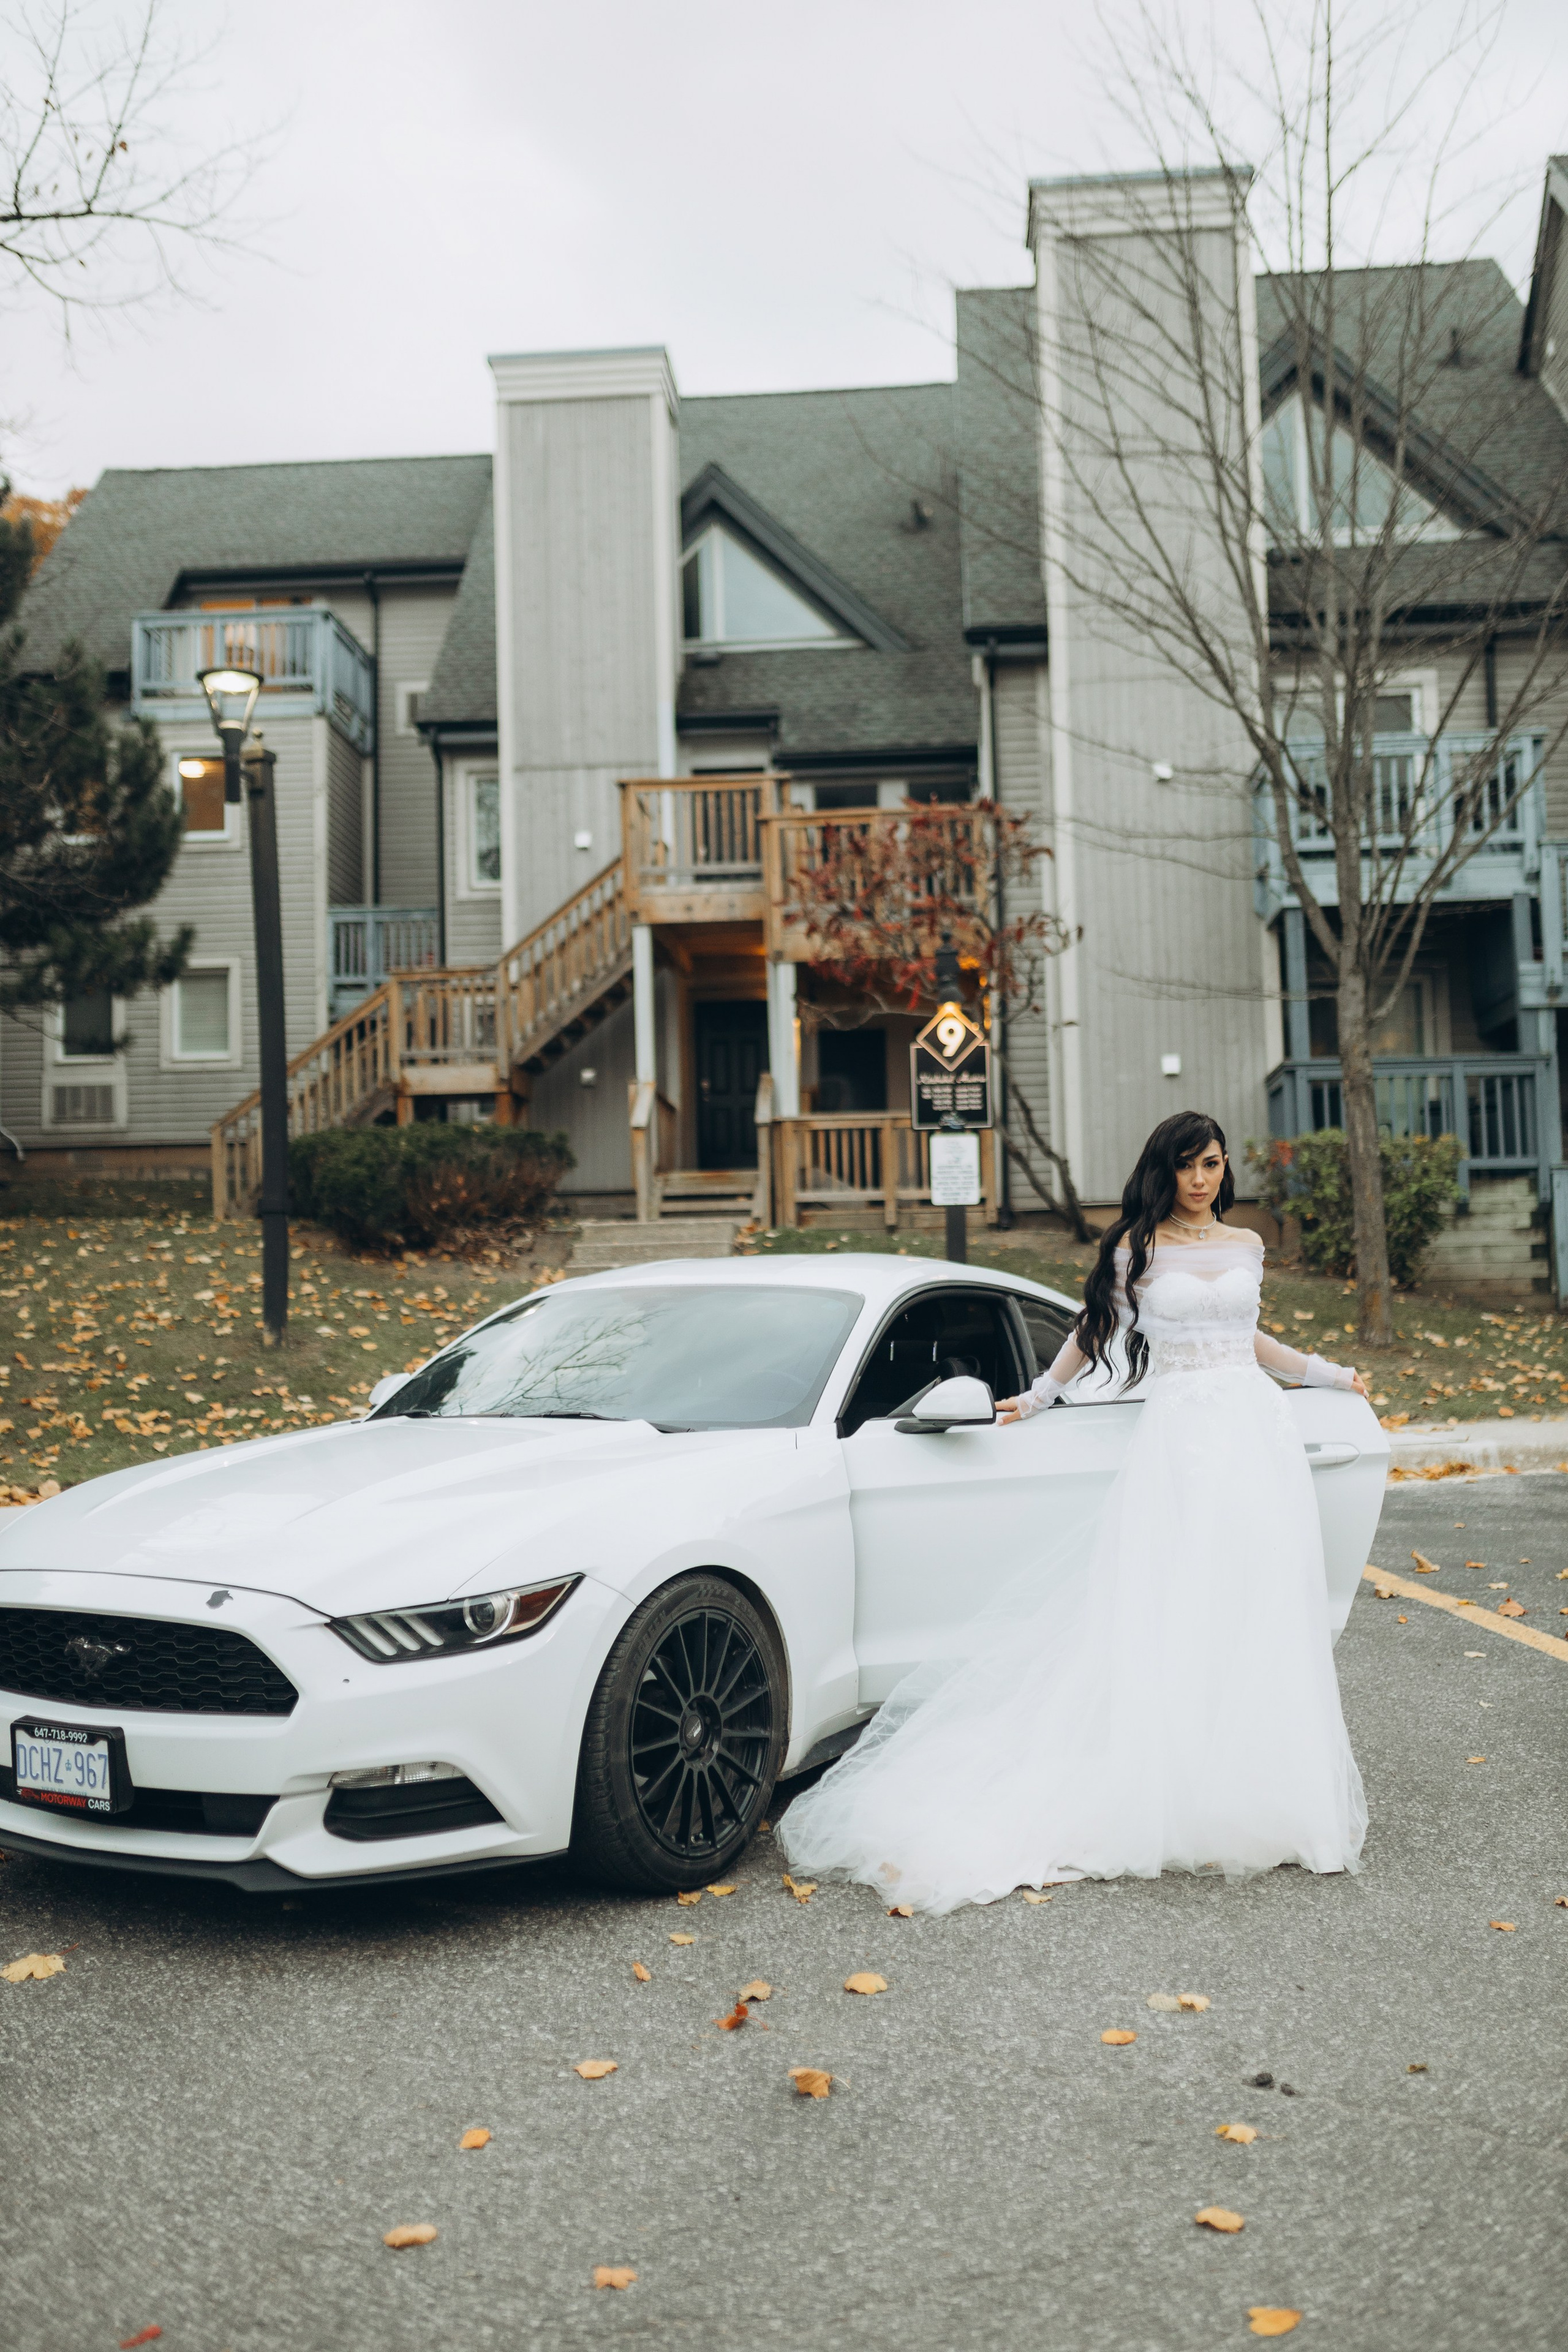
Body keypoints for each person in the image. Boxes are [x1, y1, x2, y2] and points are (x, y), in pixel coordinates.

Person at [776, 1110, 1371, 1913]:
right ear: (1168, 1168)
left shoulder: (1248, 1245)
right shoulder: (1135, 1249)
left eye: (1216, 1166)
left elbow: (1252, 1337)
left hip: (1252, 1431)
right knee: (1173, 1602)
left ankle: (1259, 1790)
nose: (1205, 1180)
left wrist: (1327, 1375)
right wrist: (1042, 1394)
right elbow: (1095, 1331)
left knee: (1253, 1604)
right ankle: (1164, 1786)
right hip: (1182, 1435)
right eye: (1192, 1166)